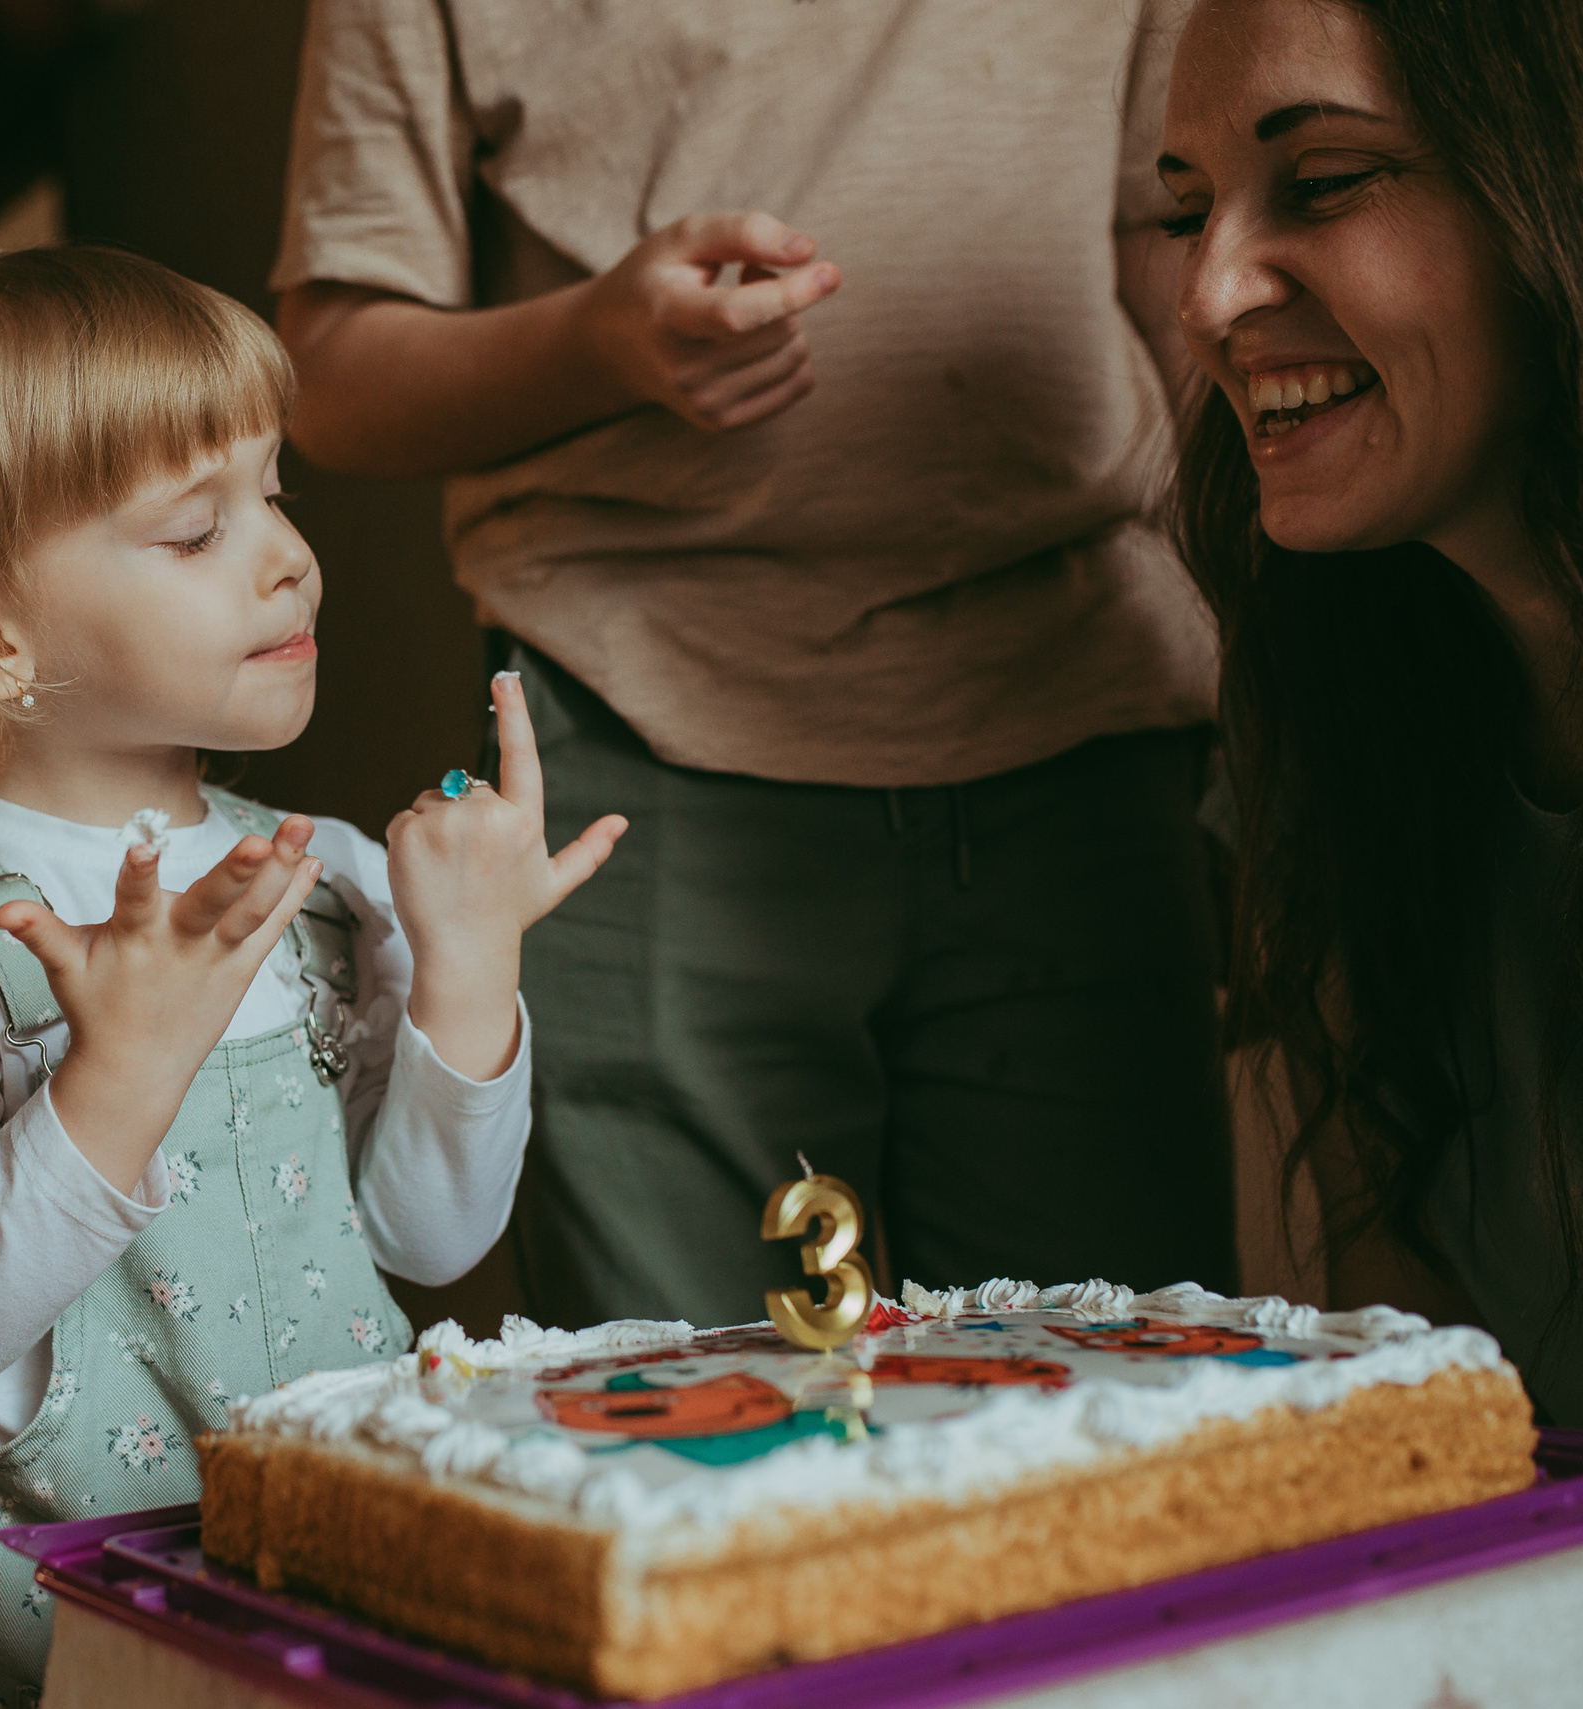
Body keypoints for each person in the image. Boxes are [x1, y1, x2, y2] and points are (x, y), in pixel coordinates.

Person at [0, 245, 626, 1705]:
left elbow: (424, 1235)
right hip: (84, 1645)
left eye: (272, 493)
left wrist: (468, 975)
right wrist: (116, 1077)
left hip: (350, 1596)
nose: (288, 555)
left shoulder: (321, 864)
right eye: (192, 531)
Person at [271, 0, 1240, 1331]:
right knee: (711, 1440)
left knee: (1130, 1431)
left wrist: (1275, 673)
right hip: (639, 751)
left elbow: (1179, 255)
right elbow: (329, 372)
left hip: (1079, 720)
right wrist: (598, 341)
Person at [1160, 0, 1583, 1422]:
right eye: (1186, 212)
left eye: (1325, 184)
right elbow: (1425, 1368)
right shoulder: (1326, 686)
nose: (1208, 297)